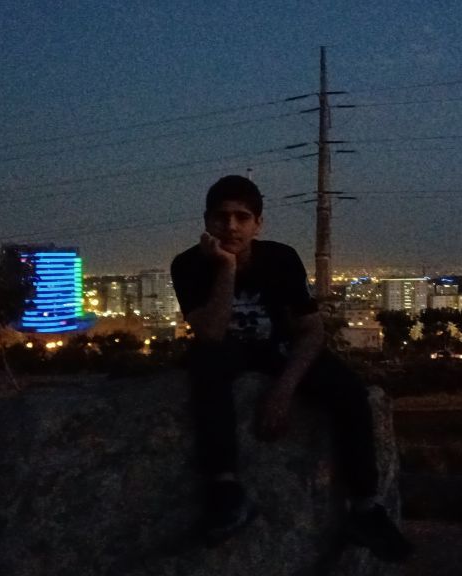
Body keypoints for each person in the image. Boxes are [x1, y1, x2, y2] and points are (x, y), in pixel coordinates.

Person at [170, 175, 413, 561]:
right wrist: (226, 268)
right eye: (221, 217)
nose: (231, 226)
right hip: (226, 352)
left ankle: (365, 508)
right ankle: (225, 490)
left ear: (258, 224)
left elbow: (311, 331)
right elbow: (212, 333)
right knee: (206, 365)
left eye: (242, 217)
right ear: (206, 221)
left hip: (277, 348)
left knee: (349, 391)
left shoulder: (280, 260)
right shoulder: (188, 265)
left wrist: (283, 390)